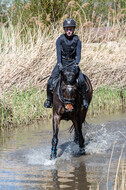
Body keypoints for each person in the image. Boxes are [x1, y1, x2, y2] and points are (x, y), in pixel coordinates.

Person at [44, 18, 89, 109]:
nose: (69, 31)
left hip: (73, 63)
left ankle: (84, 100)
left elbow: (79, 55)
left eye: (71, 29)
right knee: (50, 81)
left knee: (82, 80)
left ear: (73, 29)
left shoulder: (77, 40)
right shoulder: (60, 39)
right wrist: (59, 64)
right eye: (67, 29)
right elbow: (58, 53)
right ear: (64, 29)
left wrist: (76, 64)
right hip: (62, 63)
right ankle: (49, 100)